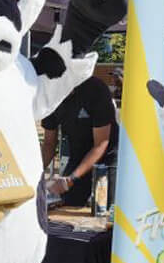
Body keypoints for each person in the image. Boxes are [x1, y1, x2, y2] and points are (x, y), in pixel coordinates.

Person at [42, 75, 119, 206]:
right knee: (71, 202)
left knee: (104, 207)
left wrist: (72, 179)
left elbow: (101, 144)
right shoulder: (50, 96)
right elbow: (49, 143)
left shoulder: (96, 89)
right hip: (77, 155)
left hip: (107, 158)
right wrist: (34, 174)